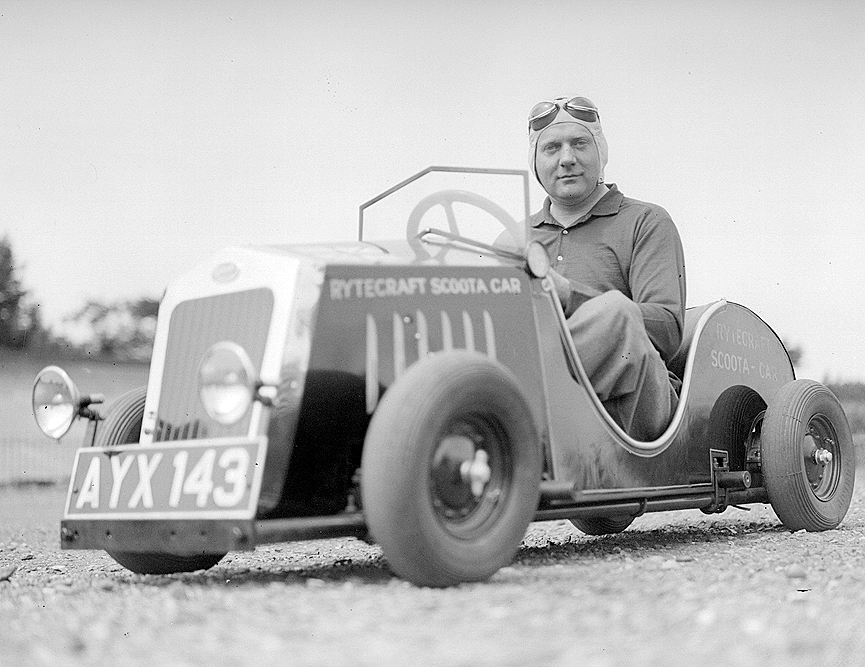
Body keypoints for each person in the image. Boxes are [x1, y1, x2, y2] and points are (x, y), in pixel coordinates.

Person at [526, 96, 686, 440]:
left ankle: (518, 407)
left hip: (630, 410)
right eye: (551, 148)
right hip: (542, 404)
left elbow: (667, 329)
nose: (566, 158)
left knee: (615, 313)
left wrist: (570, 296)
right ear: (535, 162)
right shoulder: (515, 239)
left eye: (579, 143)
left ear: (600, 152)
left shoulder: (646, 221)